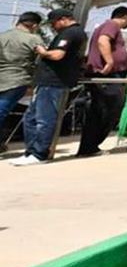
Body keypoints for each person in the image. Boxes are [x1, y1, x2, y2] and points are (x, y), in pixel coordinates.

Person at [11, 9, 87, 166]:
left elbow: (58, 55)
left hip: (53, 82)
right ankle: (31, 152)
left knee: (43, 119)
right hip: (48, 82)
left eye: (54, 23)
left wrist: (43, 52)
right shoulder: (75, 33)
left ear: (63, 19)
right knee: (30, 118)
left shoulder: (70, 33)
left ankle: (39, 153)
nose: (53, 27)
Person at [76, 6, 127, 157]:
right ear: (125, 17)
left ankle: (90, 146)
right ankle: (90, 146)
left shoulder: (107, 26)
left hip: (110, 75)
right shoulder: (112, 25)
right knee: (108, 109)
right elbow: (103, 40)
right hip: (107, 75)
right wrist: (109, 61)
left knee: (102, 110)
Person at [0, 12, 48, 126]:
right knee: (2, 111)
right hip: (18, 80)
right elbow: (42, 59)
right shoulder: (34, 39)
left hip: (1, 78)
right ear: (35, 25)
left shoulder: (2, 36)